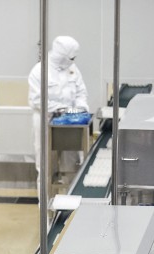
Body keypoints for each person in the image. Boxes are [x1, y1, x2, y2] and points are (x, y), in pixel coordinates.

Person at [28, 36, 89, 185]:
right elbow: (37, 100)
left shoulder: (72, 69)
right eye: (71, 57)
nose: (73, 60)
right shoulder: (40, 71)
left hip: (70, 124)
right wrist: (65, 110)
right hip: (45, 121)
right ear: (62, 55)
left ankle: (70, 204)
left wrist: (80, 109)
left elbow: (81, 93)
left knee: (71, 166)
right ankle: (45, 206)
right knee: (46, 167)